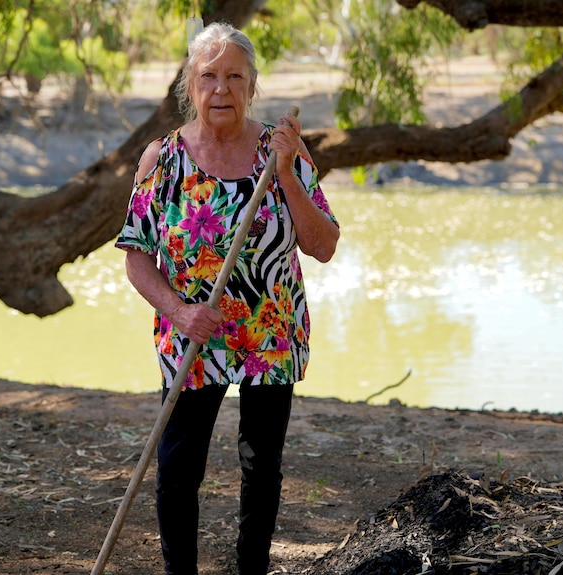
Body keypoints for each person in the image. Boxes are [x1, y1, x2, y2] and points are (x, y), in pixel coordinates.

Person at [114, 21, 340, 575]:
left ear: (252, 86)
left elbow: (323, 245)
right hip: (194, 331)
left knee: (261, 465)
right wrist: (180, 312)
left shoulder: (282, 151)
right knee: (179, 464)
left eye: (234, 76)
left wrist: (286, 173)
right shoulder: (162, 160)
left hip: (270, 331)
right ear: (189, 87)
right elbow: (136, 257)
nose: (221, 89)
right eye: (208, 76)